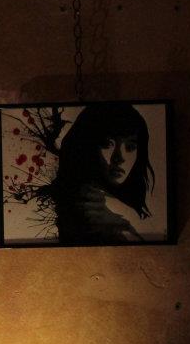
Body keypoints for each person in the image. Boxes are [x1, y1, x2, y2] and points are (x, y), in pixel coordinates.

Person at [41, 102, 155, 244]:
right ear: (87, 147)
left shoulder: (120, 204)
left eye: (131, 146)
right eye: (107, 144)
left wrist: (128, 216)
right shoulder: (88, 207)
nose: (119, 157)